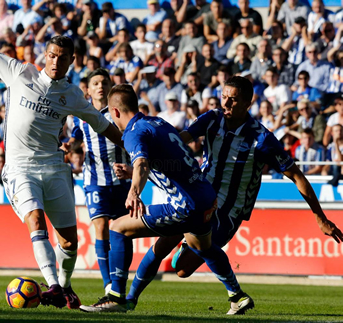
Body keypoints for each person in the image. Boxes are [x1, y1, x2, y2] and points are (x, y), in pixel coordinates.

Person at [0, 7, 123, 309]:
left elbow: (104, 126)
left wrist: (138, 148)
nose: (56, 61)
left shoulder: (73, 95)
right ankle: (54, 286)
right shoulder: (19, 72)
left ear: (72, 61)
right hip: (20, 168)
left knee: (69, 243)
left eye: (63, 57)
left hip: (55, 169)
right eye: (52, 55)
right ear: (45, 55)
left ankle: (65, 285)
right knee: (35, 220)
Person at [114, 76, 343, 310]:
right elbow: (177, 147)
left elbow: (297, 176)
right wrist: (138, 168)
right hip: (196, 197)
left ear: (248, 103)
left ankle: (233, 293)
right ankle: (130, 299)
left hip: (228, 211)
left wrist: (320, 218)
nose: (226, 104)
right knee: (164, 246)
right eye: (223, 97)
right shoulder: (212, 119)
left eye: (233, 100)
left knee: (182, 268)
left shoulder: (261, 139)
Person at [80, 84, 252, 314]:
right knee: (204, 247)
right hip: (207, 198)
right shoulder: (158, 123)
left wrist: (134, 191)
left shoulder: (133, 132)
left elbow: (141, 162)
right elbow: (164, 163)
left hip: (184, 205)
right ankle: (237, 295)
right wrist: (135, 174)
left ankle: (116, 296)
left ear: (115, 112)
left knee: (119, 227)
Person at [69, 68, 130, 294]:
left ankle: (119, 281)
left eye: (104, 82)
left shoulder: (119, 111)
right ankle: (108, 285)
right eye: (95, 83)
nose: (100, 86)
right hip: (94, 179)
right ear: (88, 89)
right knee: (101, 226)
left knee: (124, 230)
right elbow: (76, 135)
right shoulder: (81, 113)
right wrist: (69, 144)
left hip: (122, 179)